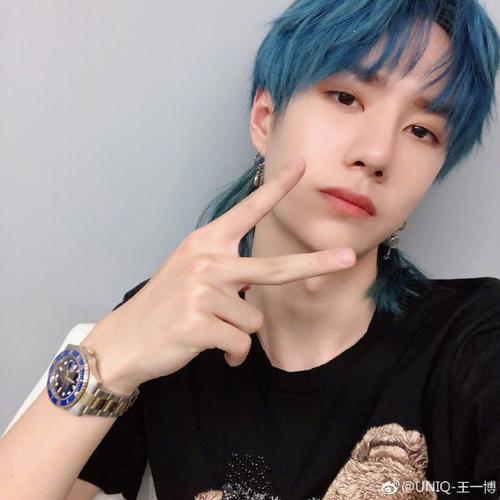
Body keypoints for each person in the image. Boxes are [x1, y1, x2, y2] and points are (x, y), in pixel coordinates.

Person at [1, 0, 499, 499]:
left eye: (422, 131)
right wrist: (110, 356)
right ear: (265, 119)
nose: (376, 153)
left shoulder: (477, 342)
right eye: (346, 97)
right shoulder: (170, 322)